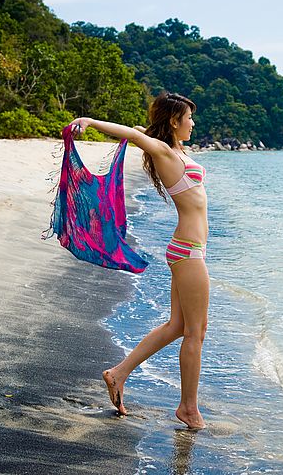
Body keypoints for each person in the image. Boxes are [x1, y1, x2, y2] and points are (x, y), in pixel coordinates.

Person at [68, 91, 209, 430]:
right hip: (188, 251)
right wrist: (90, 122)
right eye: (188, 117)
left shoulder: (173, 150)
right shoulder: (163, 150)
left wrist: (145, 131)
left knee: (178, 326)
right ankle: (188, 409)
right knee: (196, 332)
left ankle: (118, 373)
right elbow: (131, 134)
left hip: (187, 249)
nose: (193, 122)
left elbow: (139, 132)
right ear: (175, 121)